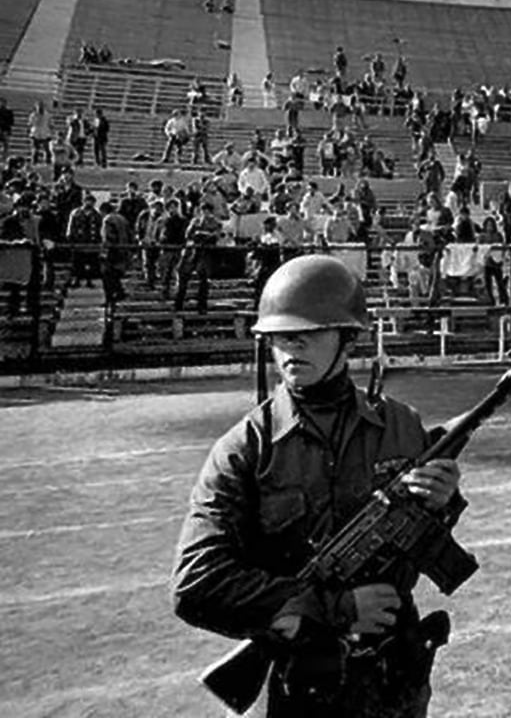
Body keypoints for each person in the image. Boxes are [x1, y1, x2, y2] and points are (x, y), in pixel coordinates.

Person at [171, 255, 467, 717]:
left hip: (398, 683)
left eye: (307, 334)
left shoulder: (401, 425)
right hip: (309, 688)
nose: (290, 348)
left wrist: (442, 503)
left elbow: (421, 541)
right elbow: (197, 583)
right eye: (279, 337)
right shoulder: (245, 448)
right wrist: (335, 607)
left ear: (347, 337)